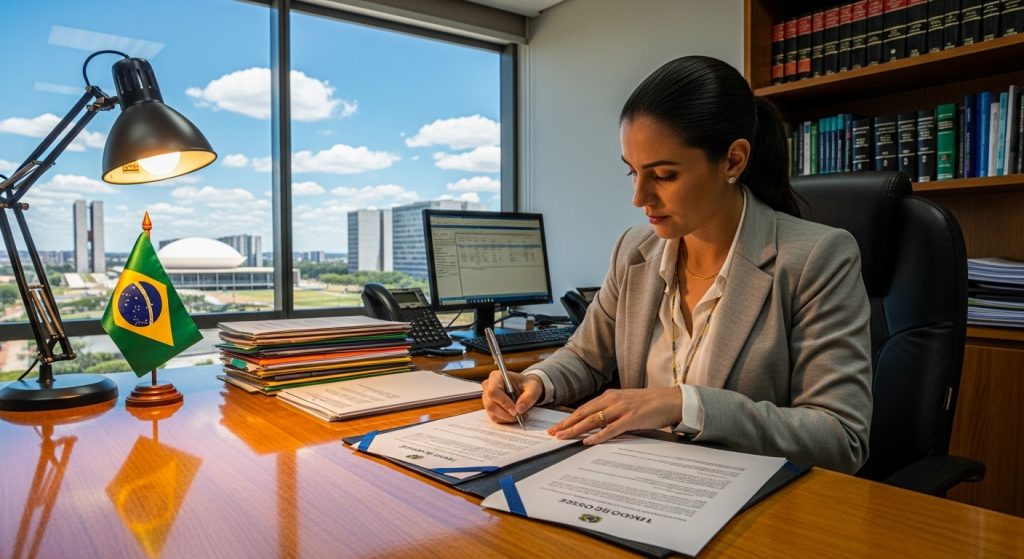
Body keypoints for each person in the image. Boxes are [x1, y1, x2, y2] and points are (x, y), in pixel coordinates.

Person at [481, 55, 873, 474]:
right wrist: (537, 382)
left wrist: (683, 403)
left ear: (733, 161)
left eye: (664, 175)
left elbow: (840, 436)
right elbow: (585, 357)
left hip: (751, 504)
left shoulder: (817, 256)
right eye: (632, 172)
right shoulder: (635, 251)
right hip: (636, 483)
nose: (639, 197)